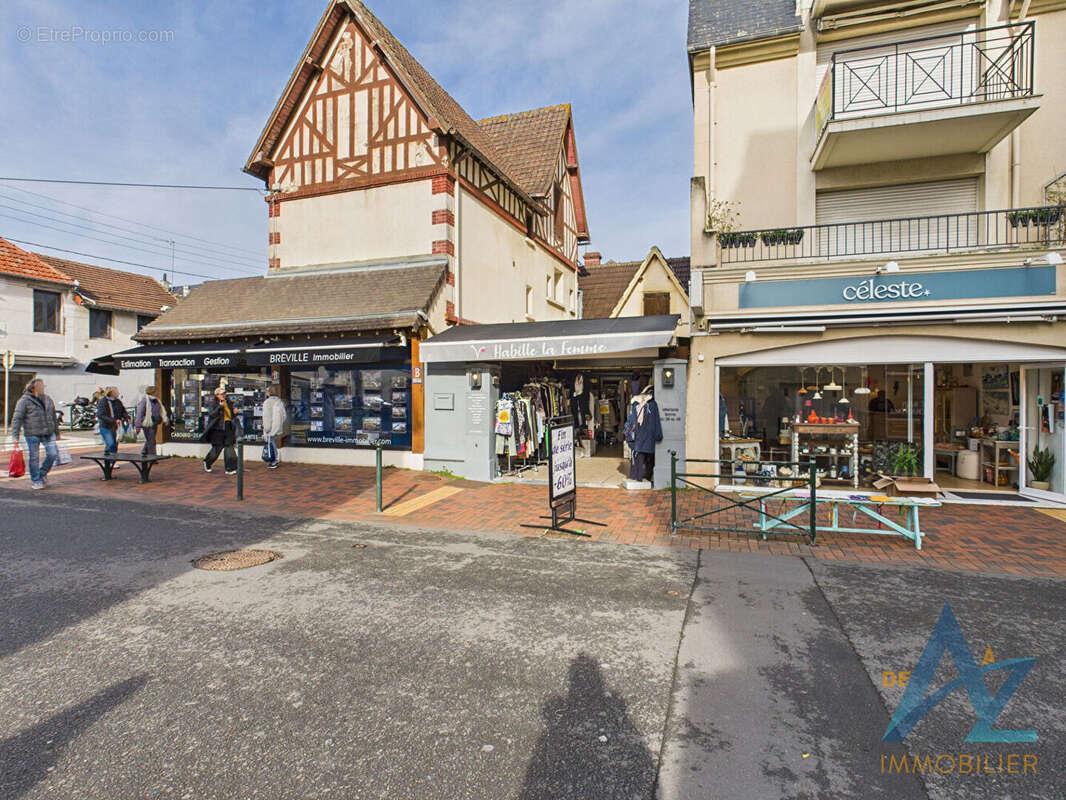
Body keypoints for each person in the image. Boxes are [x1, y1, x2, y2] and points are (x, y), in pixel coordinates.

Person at [9, 378, 61, 489]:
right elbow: (17, 418)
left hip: (48, 432)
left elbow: (53, 416)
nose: (42, 388)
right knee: (34, 458)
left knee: (53, 454)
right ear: (32, 388)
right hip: (32, 433)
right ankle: (36, 480)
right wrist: (15, 436)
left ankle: (42, 473)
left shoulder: (47, 399)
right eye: (39, 386)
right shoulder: (24, 400)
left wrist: (57, 432)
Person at [202, 386, 241, 474]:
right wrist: (220, 407)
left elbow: (230, 416)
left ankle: (230, 468)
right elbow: (212, 414)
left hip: (228, 426)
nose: (224, 395)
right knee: (217, 448)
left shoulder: (229, 403)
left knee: (229, 447)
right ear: (217, 395)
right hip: (217, 429)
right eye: (221, 394)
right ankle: (208, 461)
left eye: (224, 393)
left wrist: (234, 413)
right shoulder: (213, 404)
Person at [135, 386, 169, 456]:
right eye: (156, 391)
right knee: (151, 440)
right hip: (147, 423)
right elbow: (140, 413)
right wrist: (138, 425)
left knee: (150, 439)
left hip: (154, 422)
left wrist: (165, 419)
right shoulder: (145, 400)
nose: (158, 393)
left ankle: (144, 452)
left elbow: (162, 411)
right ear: (153, 392)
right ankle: (152, 457)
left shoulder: (157, 400)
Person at [96, 386, 127, 457]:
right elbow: (100, 415)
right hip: (105, 426)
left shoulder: (118, 401)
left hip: (115, 426)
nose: (118, 392)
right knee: (110, 443)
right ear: (111, 393)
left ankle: (111, 460)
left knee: (115, 443)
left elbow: (123, 411)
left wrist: (126, 417)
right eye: (116, 391)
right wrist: (114, 420)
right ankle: (109, 460)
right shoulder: (103, 401)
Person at [262, 384, 287, 470]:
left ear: (268, 392)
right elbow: (284, 416)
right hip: (277, 427)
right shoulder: (279, 402)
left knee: (271, 444)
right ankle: (274, 460)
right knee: (273, 443)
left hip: (269, 428)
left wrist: (267, 429)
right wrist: (279, 425)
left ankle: (273, 460)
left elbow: (266, 417)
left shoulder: (267, 403)